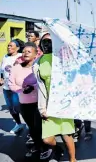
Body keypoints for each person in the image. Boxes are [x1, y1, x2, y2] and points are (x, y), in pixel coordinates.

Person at [34, 33, 76, 161]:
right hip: (48, 105)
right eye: (44, 41)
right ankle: (58, 149)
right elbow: (41, 87)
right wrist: (42, 109)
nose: (47, 44)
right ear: (40, 44)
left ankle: (72, 159)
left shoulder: (65, 58)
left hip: (64, 104)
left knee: (66, 134)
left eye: (50, 41)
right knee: (47, 139)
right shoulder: (38, 62)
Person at [8, 42, 52, 159]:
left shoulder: (38, 66)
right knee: (31, 128)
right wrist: (21, 90)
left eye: (29, 51)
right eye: (24, 51)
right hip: (24, 103)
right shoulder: (16, 68)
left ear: (35, 54)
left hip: (39, 103)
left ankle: (46, 147)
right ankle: (38, 146)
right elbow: (11, 84)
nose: (25, 53)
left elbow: (44, 82)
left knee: (39, 127)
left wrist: (33, 87)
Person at [0, 40, 25, 134]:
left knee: (18, 107)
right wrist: (1, 78)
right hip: (6, 87)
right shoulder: (5, 56)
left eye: (11, 46)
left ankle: (31, 126)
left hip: (17, 87)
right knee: (11, 108)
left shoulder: (20, 57)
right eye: (8, 46)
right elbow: (2, 70)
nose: (9, 47)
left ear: (17, 48)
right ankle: (19, 124)